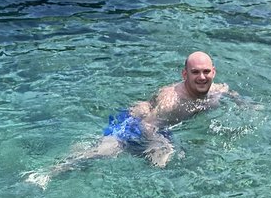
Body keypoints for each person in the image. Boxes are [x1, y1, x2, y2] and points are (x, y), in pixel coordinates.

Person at [24, 51, 239, 187]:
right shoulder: (171, 101)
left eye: (206, 72)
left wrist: (248, 106)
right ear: (185, 75)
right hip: (135, 125)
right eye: (195, 72)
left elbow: (230, 92)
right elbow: (147, 124)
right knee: (99, 154)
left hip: (162, 128)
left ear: (214, 72)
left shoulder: (216, 90)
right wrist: (159, 145)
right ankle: (46, 174)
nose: (202, 77)